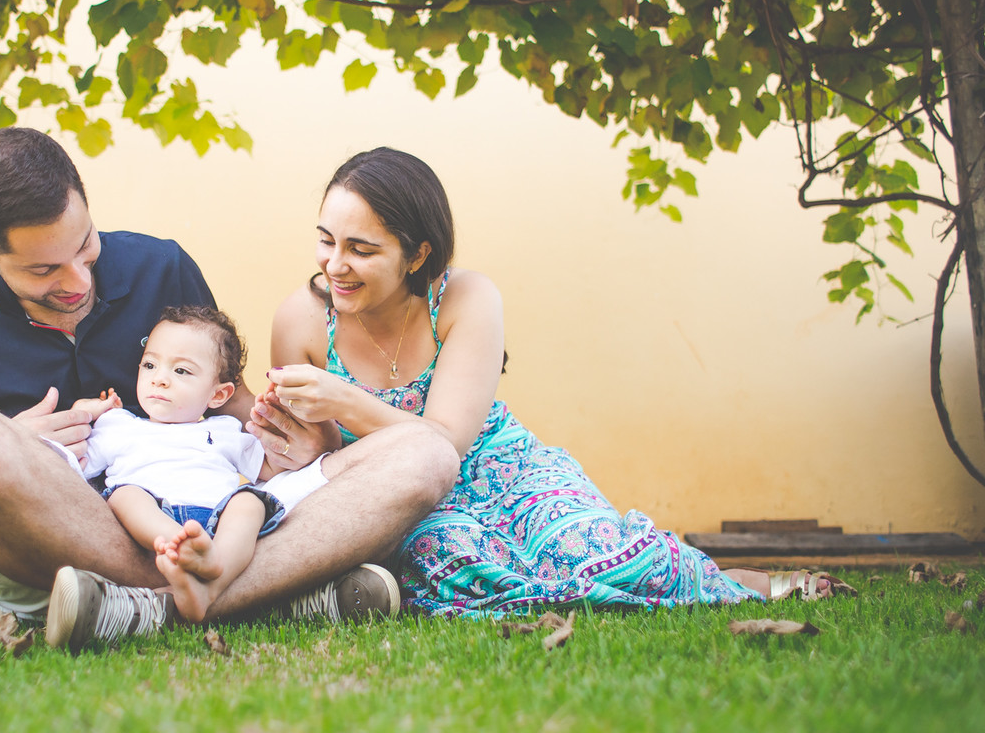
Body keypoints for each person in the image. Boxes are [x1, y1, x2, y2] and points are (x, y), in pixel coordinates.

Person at [0, 128, 459, 642]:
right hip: (70, 532)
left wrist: (300, 442)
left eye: (85, 247)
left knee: (424, 453)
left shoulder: (160, 266)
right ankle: (267, 595)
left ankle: (145, 609)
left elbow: (236, 404)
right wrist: (7, 443)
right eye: (43, 269)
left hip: (207, 518)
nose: (77, 281)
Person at [264, 146, 856, 617]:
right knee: (460, 566)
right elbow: (314, 464)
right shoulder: (303, 321)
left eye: (361, 249)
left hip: (505, 467)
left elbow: (448, 439)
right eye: (326, 240)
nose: (334, 265)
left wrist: (346, 401)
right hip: (407, 500)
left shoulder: (465, 298)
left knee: (593, 547)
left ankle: (724, 581)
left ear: (417, 255)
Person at [47, 306, 337, 651]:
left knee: (248, 502)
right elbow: (71, 467)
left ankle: (216, 570)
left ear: (218, 395)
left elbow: (276, 470)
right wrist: (85, 413)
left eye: (182, 371)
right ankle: (178, 545)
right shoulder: (117, 425)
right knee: (124, 495)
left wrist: (295, 432)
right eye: (150, 365)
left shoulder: (227, 430)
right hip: (153, 519)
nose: (160, 378)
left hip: (215, 517)